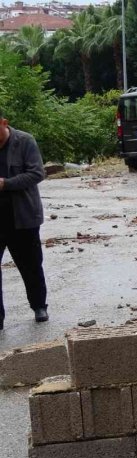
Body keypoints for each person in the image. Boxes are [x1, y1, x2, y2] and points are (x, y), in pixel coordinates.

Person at [0, 109, 48, 329]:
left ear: (4, 123)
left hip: (23, 216)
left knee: (31, 265)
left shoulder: (25, 141)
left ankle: (39, 306)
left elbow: (37, 173)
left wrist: (5, 184)